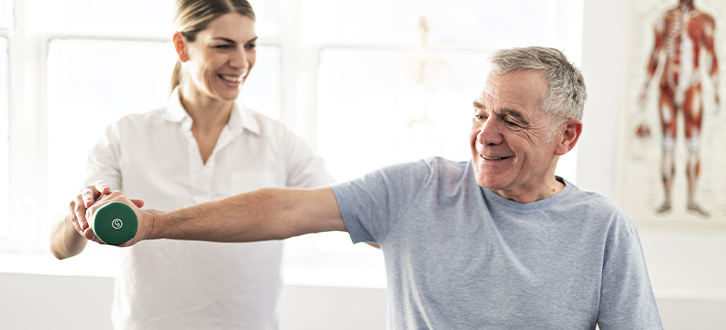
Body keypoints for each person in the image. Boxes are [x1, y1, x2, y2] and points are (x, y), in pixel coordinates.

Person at [76, 47, 663, 329]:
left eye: (511, 119)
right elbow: (281, 211)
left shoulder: (602, 228)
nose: (485, 134)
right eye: (480, 112)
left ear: (567, 136)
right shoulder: (418, 189)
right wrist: (153, 224)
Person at [49, 0, 334, 329]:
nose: (242, 61)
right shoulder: (127, 134)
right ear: (182, 46)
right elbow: (60, 248)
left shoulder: (277, 140)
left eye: (250, 45)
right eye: (223, 46)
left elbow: (346, 207)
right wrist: (82, 213)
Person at [638, 0, 720, 216]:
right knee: (668, 145)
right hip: (667, 86)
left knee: (693, 145)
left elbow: (711, 57)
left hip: (692, 86)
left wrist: (718, 90)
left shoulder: (705, 20)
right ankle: (667, 199)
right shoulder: (664, 19)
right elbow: (655, 54)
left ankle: (691, 199)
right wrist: (645, 88)